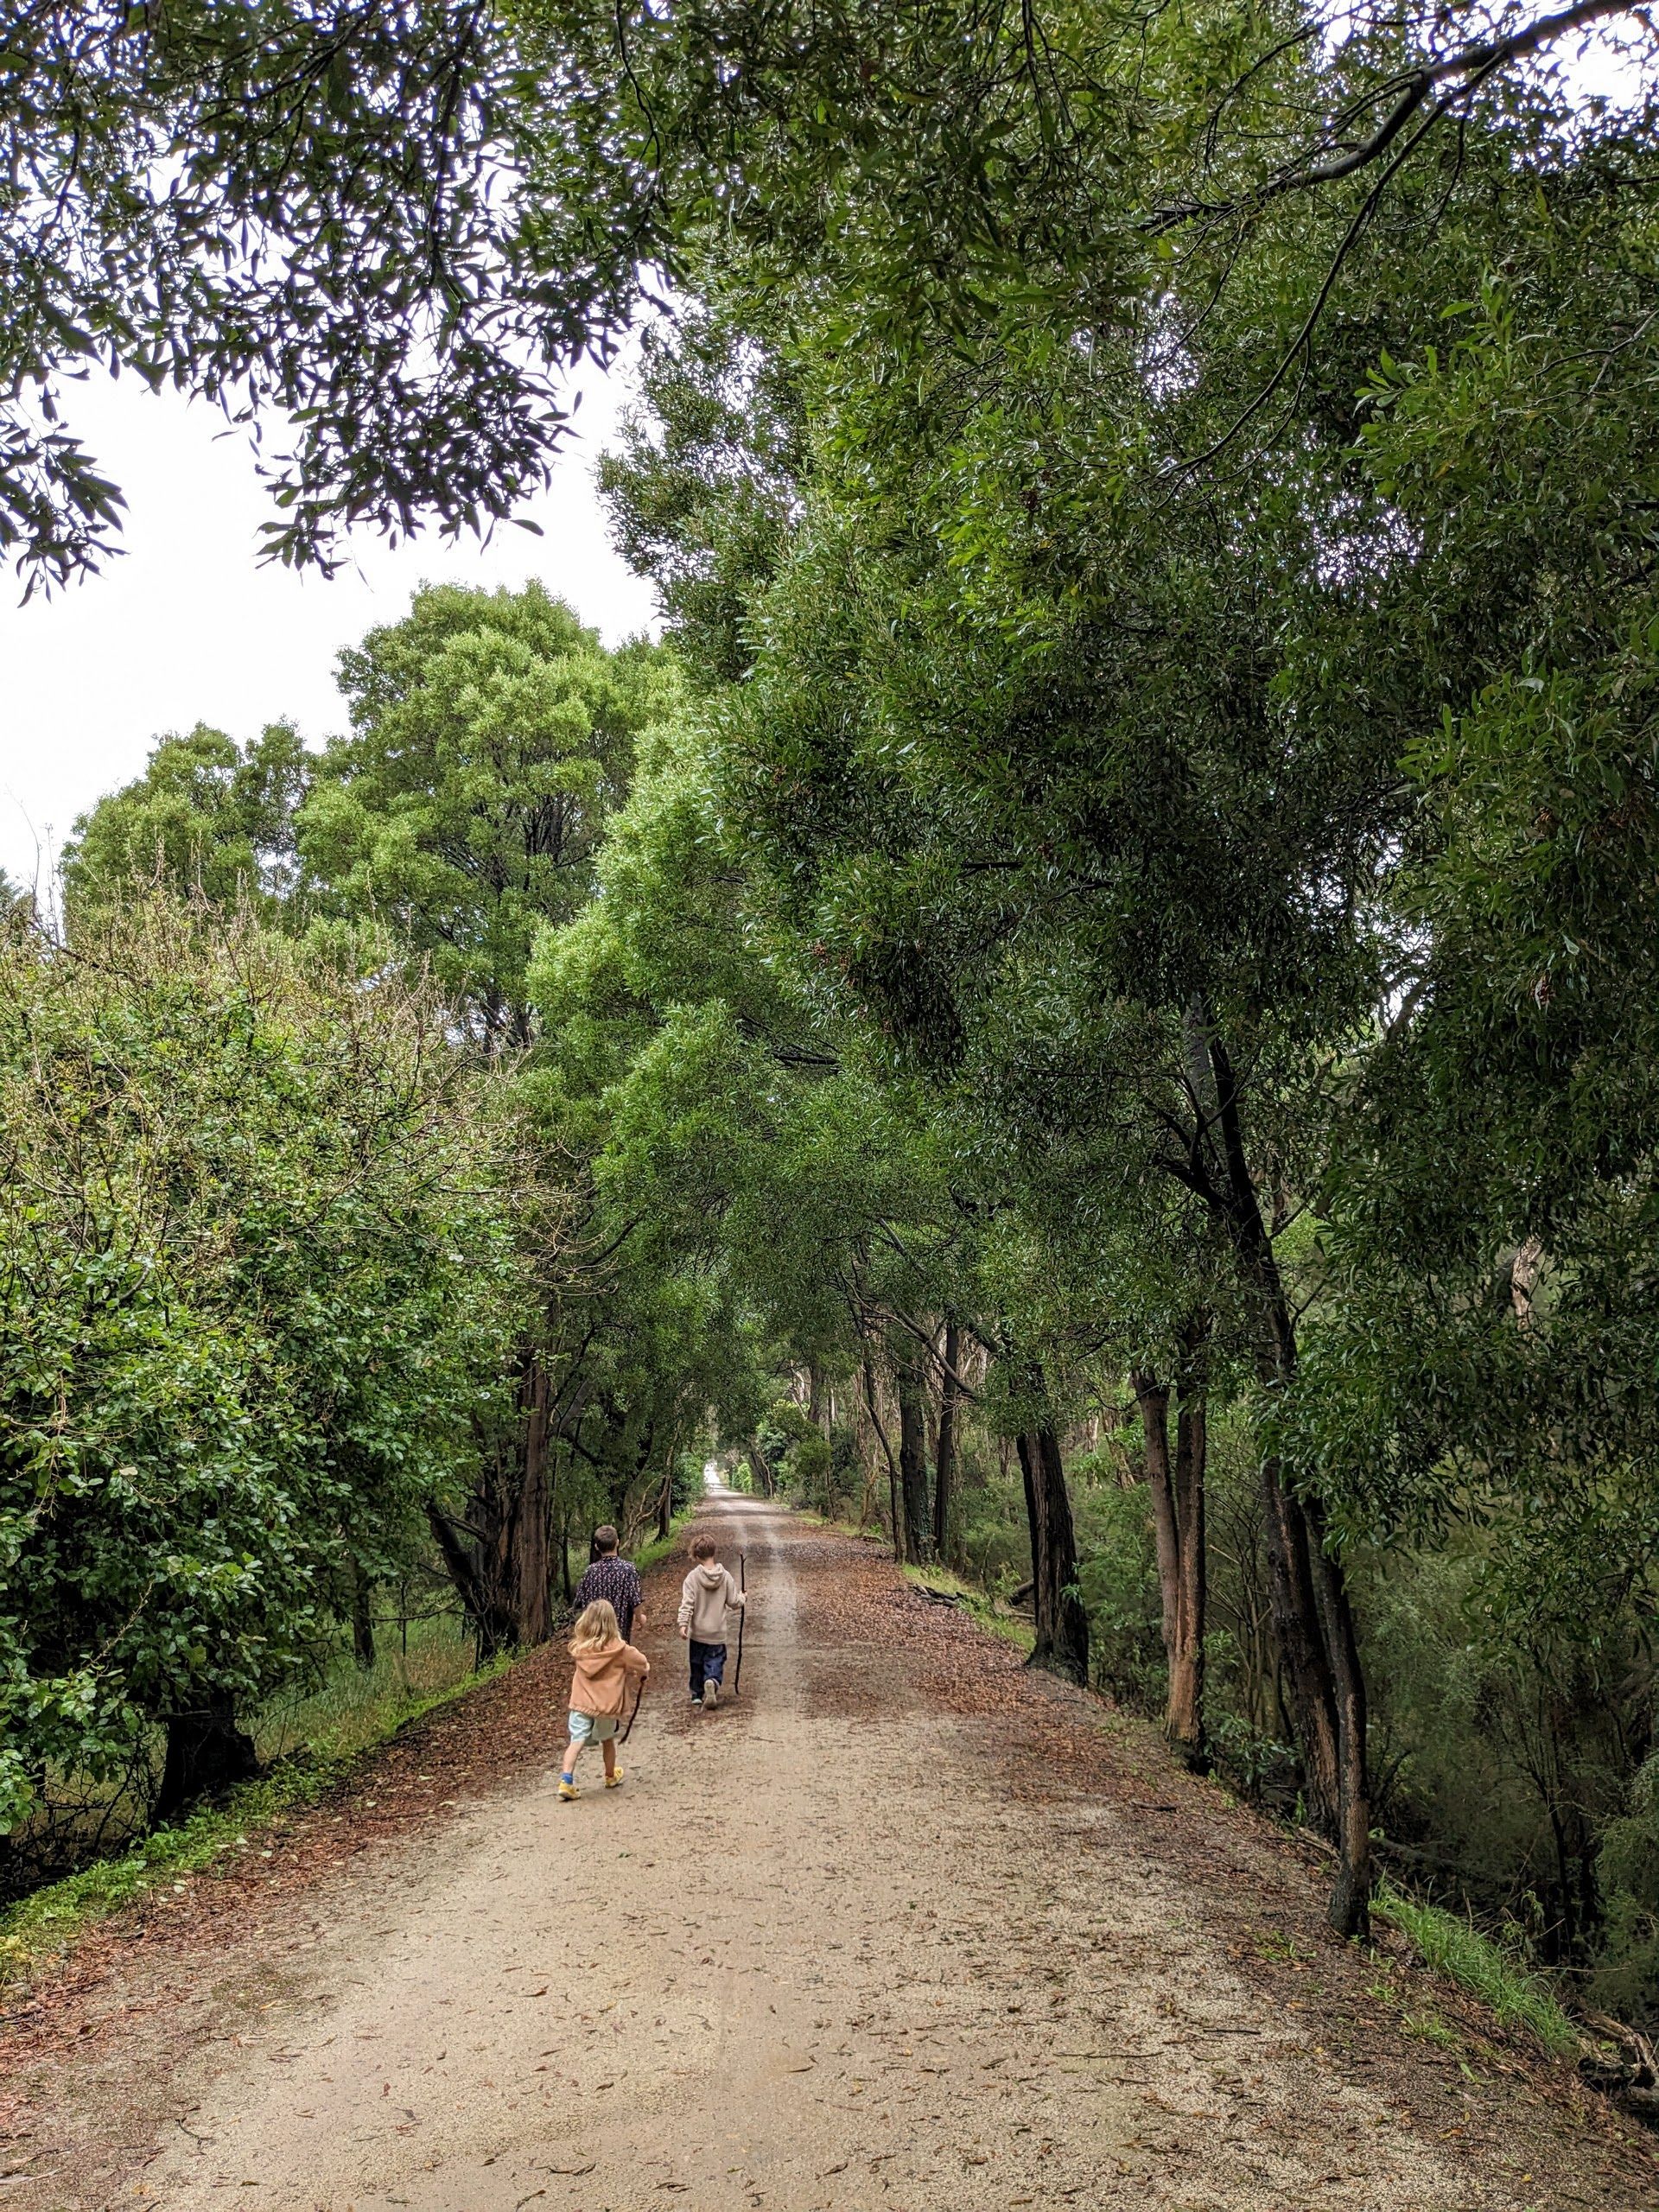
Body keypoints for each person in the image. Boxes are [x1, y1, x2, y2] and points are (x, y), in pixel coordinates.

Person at [560, 1599, 649, 1802]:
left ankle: (566, 1780)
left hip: (581, 1704)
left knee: (576, 1741)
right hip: (605, 1707)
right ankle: (610, 1776)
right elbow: (642, 1662)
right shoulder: (619, 1649)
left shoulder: (580, 1648)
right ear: (612, 1622)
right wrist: (644, 1671)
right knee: (607, 1740)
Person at [677, 1533, 744, 1710]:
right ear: (714, 1552)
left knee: (696, 1663)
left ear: (696, 1556)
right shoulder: (726, 1577)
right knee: (715, 1661)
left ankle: (697, 1694)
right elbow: (733, 1602)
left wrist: (683, 1624)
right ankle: (712, 1682)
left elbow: (687, 1603)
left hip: (698, 1632)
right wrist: (743, 1598)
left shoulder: (692, 1578)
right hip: (717, 1632)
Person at [573, 1524, 645, 1642]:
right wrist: (640, 1618)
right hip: (619, 1636)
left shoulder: (590, 1572)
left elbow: (579, 1604)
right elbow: (635, 1601)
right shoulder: (628, 1570)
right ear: (617, 1542)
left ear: (596, 1547)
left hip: (594, 1636)